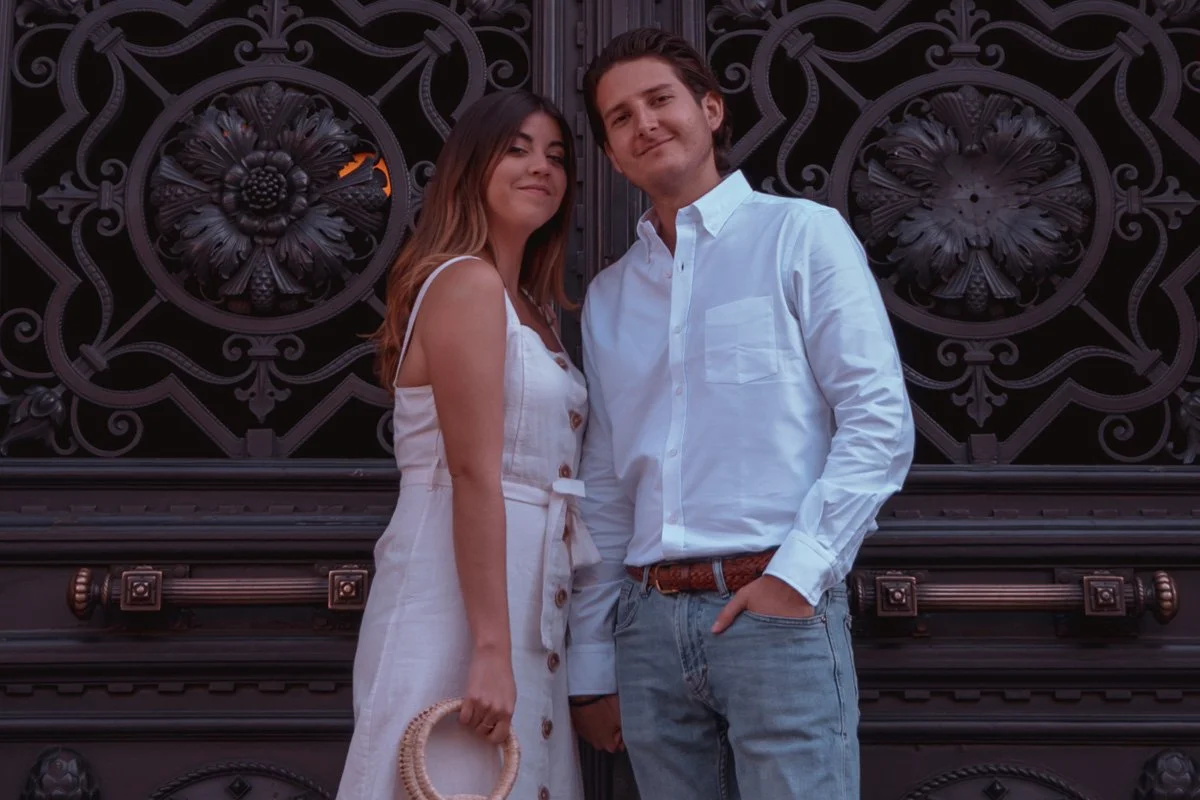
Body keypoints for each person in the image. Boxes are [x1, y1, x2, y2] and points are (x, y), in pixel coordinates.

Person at [567, 28, 915, 798]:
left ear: (711, 110)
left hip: (774, 608)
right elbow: (605, 485)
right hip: (648, 628)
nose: (645, 123)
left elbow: (878, 419)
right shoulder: (609, 297)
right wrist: (593, 662)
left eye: (660, 100)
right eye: (620, 118)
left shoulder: (800, 235)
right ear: (613, 156)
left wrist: (798, 576)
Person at [336, 88, 595, 800]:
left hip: (523, 586)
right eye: (516, 149)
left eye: (556, 155)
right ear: (471, 167)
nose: (540, 167)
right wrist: (489, 649)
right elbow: (474, 472)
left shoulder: (533, 310)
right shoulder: (466, 283)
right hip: (454, 596)